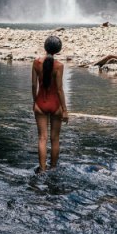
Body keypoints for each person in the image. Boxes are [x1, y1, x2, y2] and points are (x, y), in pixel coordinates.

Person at [32, 35, 69, 172]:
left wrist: (34, 101)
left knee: (42, 138)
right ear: (58, 50)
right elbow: (59, 90)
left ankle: (42, 169)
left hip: (40, 103)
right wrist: (64, 110)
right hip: (55, 105)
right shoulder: (59, 66)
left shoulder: (36, 62)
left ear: (45, 47)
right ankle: (53, 168)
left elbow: (33, 84)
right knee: (55, 139)